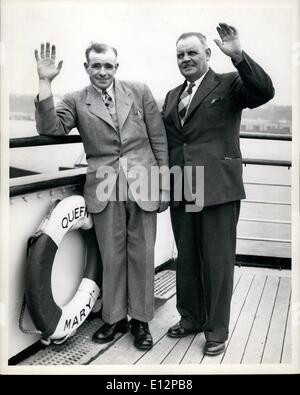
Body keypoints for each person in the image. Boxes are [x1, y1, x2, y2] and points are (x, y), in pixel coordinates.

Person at [34, 41, 169, 350]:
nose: (102, 71)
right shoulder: (76, 100)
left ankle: (141, 321)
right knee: (112, 255)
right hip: (105, 187)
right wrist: (45, 82)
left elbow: (158, 139)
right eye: (96, 65)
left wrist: (164, 186)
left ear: (116, 67)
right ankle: (114, 318)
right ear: (87, 68)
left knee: (142, 254)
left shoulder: (140, 91)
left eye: (108, 65)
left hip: (144, 184)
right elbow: (50, 127)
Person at [162, 23, 274, 356]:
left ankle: (216, 330)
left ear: (208, 54)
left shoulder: (229, 83)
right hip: (182, 189)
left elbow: (264, 91)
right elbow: (168, 143)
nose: (186, 59)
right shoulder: (171, 96)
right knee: (187, 259)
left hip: (217, 189)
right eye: (180, 54)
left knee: (217, 261)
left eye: (192, 52)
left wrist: (238, 55)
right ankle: (192, 317)